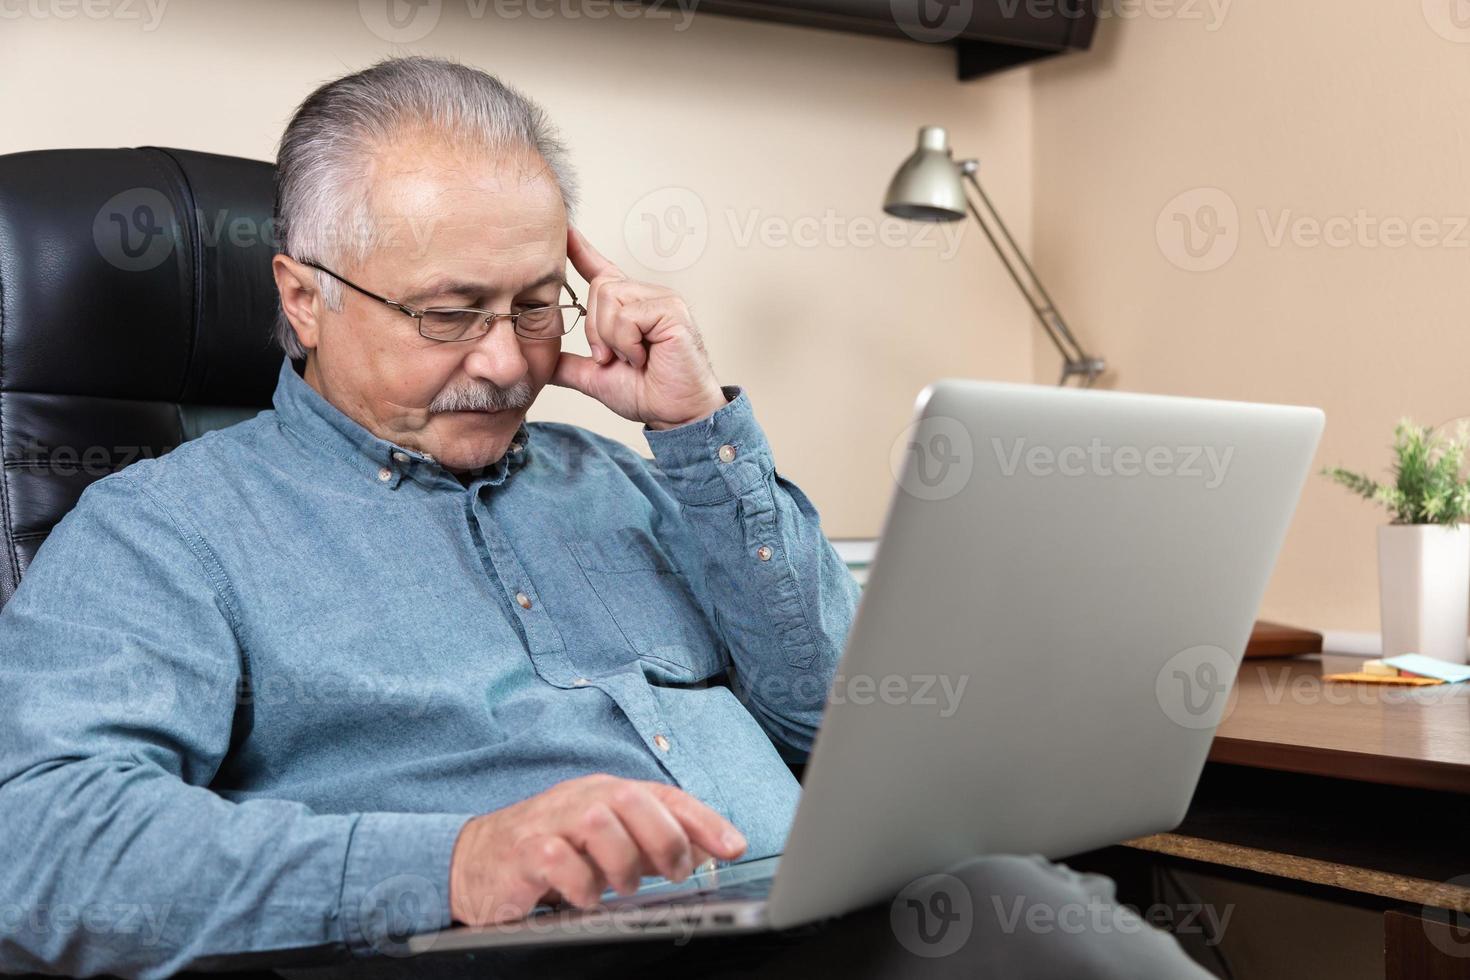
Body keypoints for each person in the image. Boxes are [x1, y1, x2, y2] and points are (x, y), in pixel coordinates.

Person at [0, 56, 1211, 979]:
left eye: (538, 303)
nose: (504, 360)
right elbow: (42, 842)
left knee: (1033, 905)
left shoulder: (628, 480)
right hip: (531, 952)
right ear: (303, 296)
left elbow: (844, 722)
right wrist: (460, 859)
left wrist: (695, 437)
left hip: (828, 915)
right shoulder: (167, 529)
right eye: (447, 311)